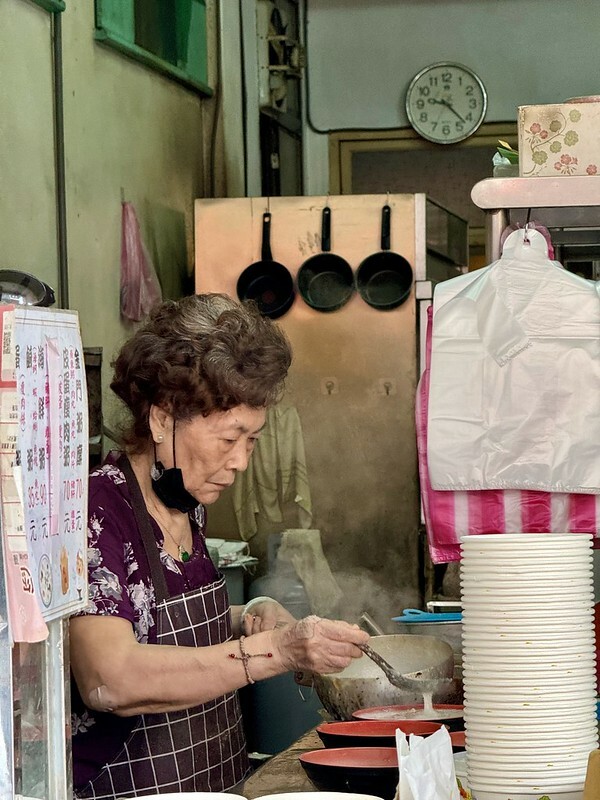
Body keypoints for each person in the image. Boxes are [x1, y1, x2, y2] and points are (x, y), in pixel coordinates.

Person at [70, 293, 369, 800]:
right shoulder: (98, 512)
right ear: (162, 419)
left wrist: (250, 613)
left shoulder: (184, 500)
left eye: (252, 441)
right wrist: (277, 649)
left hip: (219, 780)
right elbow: (109, 677)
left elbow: (154, 618)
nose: (241, 462)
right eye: (229, 439)